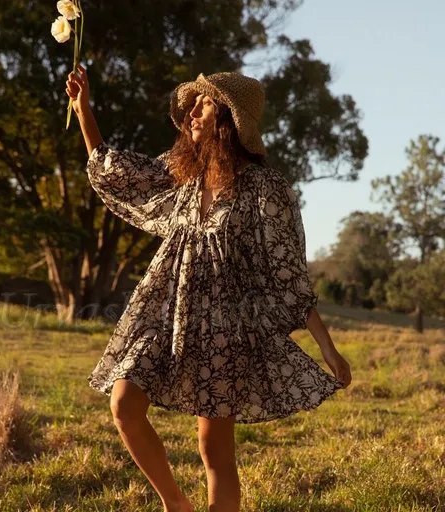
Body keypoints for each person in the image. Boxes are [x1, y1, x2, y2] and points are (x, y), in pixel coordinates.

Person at [66, 64, 352, 512]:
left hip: (224, 326)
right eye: (194, 104)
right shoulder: (181, 176)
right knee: (124, 404)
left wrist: (328, 349)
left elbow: (288, 274)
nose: (193, 114)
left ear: (228, 121)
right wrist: (84, 112)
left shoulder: (263, 187)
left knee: (214, 449)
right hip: (165, 312)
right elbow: (119, 174)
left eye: (205, 105)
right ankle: (175, 503)